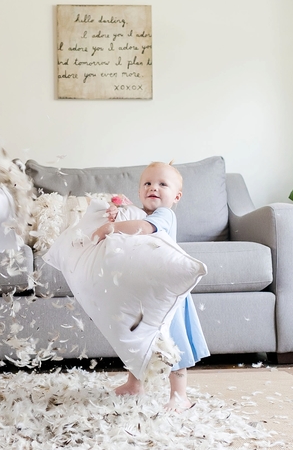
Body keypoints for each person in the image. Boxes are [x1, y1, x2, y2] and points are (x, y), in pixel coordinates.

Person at [91, 161, 210, 412]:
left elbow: (143, 229)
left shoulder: (164, 215)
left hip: (168, 295)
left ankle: (180, 395)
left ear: (176, 197)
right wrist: (118, 212)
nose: (153, 187)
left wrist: (112, 227)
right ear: (139, 191)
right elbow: (135, 222)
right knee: (139, 339)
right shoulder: (141, 214)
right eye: (147, 183)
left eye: (162, 184)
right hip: (147, 292)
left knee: (172, 344)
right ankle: (134, 384)